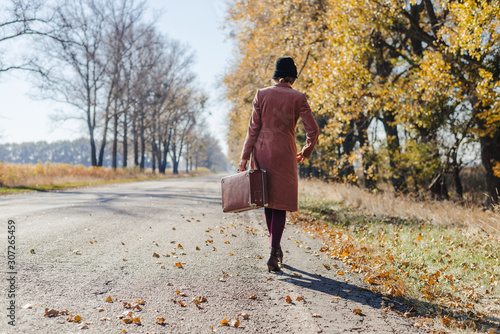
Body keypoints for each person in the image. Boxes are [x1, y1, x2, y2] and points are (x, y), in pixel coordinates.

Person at [238, 56, 319, 272]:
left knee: (267, 200)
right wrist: (305, 151)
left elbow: (252, 129)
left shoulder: (261, 94)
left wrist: (244, 157)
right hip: (285, 153)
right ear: (292, 77)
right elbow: (314, 130)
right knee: (280, 203)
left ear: (276, 75)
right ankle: (275, 249)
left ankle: (275, 248)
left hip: (261, 152)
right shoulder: (298, 97)